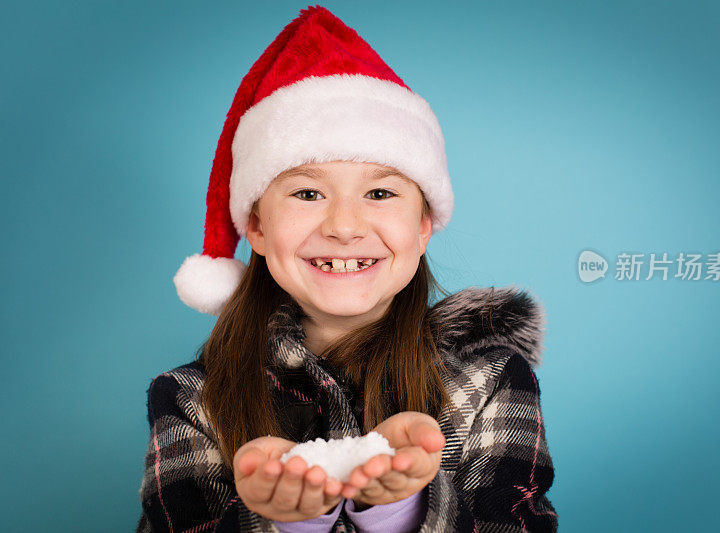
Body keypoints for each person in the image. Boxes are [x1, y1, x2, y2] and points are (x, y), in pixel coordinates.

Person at [137, 5, 558, 532]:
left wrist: (401, 512)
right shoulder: (191, 400)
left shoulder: (488, 380)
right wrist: (286, 522)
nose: (344, 225)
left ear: (423, 226)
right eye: (307, 192)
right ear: (258, 228)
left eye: (380, 192)